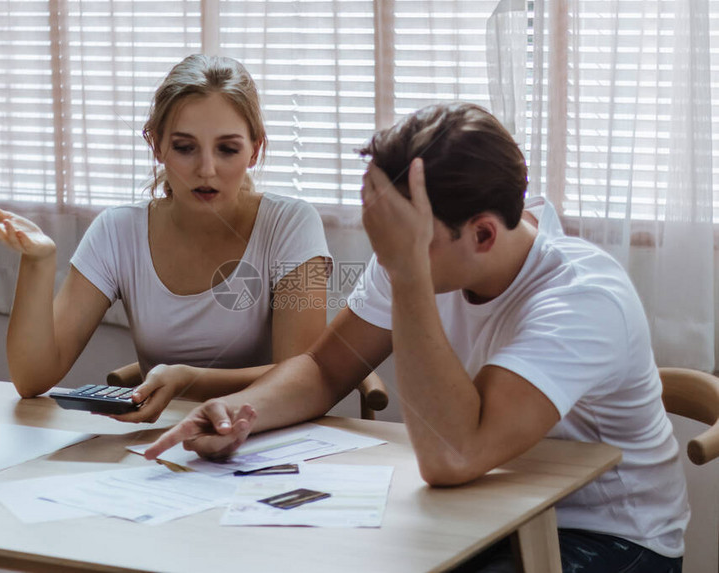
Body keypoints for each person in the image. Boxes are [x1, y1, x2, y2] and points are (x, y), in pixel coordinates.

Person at [144, 102, 689, 572]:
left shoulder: (582, 299)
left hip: (607, 536)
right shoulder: (417, 248)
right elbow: (326, 369)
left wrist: (408, 274)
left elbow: (454, 457)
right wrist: (235, 412)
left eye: (403, 243)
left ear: (482, 234)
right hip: (479, 509)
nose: (384, 255)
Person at [0, 54, 332, 423]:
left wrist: (188, 379)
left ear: (254, 150)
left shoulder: (290, 225)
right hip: (157, 447)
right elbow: (31, 378)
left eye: (227, 149)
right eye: (184, 147)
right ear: (156, 144)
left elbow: (300, 379)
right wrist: (37, 262)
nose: (206, 169)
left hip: (266, 434)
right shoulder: (117, 231)